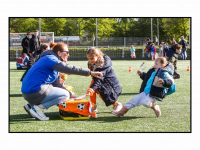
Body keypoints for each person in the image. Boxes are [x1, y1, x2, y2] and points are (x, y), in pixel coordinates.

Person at [21, 43, 103, 121]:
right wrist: (90, 72)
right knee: (64, 95)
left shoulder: (47, 58)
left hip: (28, 92)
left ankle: (30, 106)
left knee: (63, 92)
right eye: (66, 52)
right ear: (59, 53)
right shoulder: (51, 59)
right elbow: (68, 69)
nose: (68, 55)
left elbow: (55, 83)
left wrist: (71, 96)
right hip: (34, 91)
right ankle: (38, 108)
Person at [85, 47, 122, 112]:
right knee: (93, 88)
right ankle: (93, 106)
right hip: (103, 83)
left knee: (96, 90)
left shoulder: (103, 64)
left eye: (92, 58)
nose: (90, 61)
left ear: (97, 56)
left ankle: (117, 104)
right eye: (88, 59)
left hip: (112, 86)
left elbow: (99, 79)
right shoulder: (91, 63)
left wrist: (92, 88)